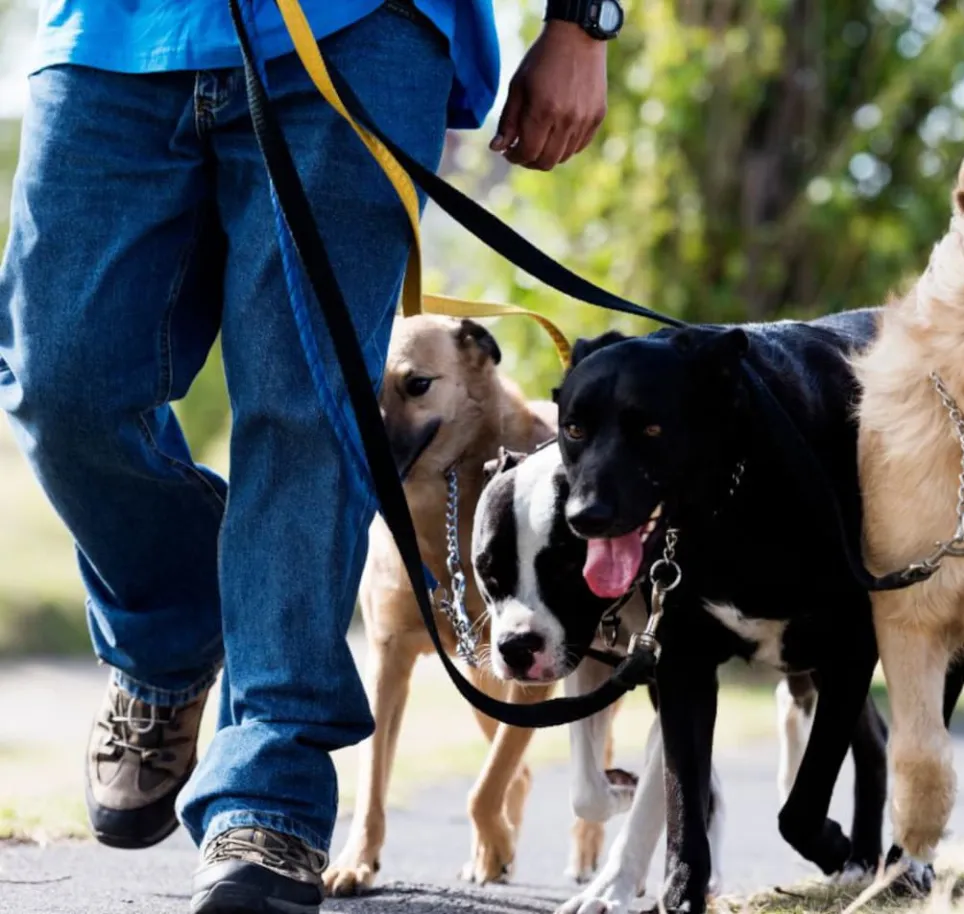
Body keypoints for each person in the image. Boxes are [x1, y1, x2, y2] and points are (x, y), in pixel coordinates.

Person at [0, 1, 619, 912]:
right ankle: (173, 625)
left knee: (308, 416)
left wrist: (581, 19)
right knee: (59, 383)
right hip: (113, 26)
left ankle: (268, 791)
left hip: (364, 29)